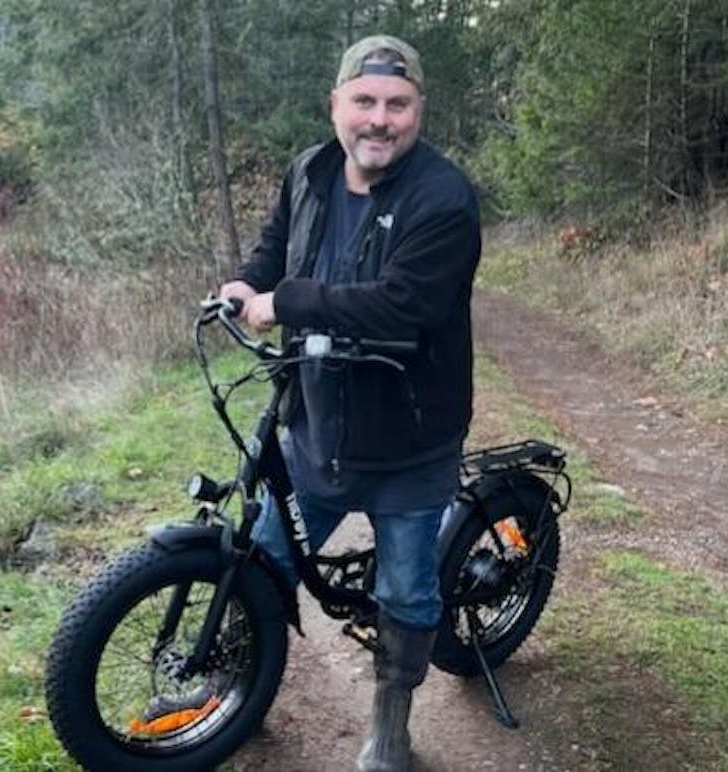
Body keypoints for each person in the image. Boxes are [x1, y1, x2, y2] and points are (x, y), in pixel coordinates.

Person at [220, 33, 481, 772]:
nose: (379, 119)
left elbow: (402, 305)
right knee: (260, 558)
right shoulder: (310, 170)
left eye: (397, 104)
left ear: (418, 110)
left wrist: (287, 302)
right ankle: (233, 690)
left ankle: (391, 727)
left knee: (406, 589)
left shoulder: (444, 199)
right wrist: (249, 282)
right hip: (316, 425)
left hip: (411, 440)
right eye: (364, 100)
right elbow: (279, 245)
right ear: (335, 103)